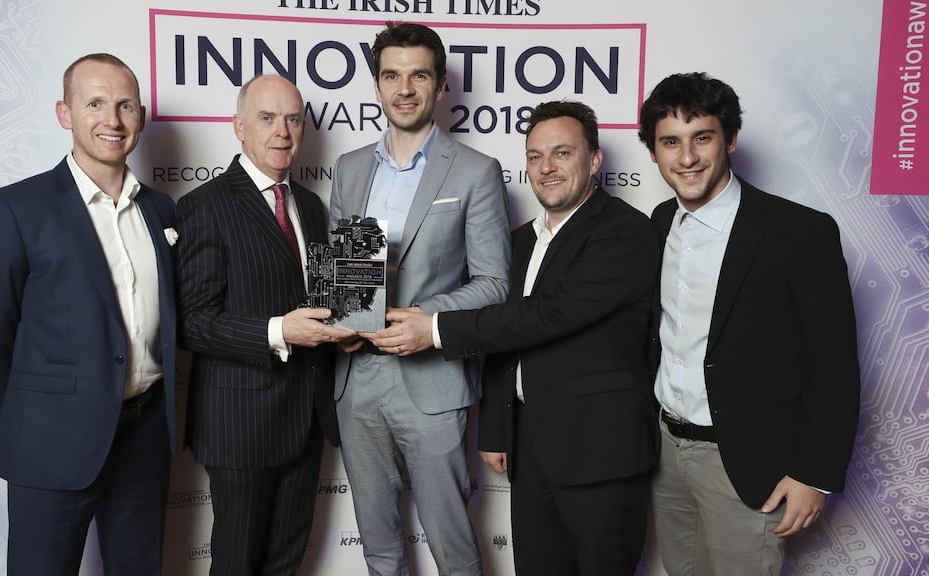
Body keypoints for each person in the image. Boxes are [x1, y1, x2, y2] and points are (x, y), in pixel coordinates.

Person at [367, 100, 660, 575]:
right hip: (531, 448)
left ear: (594, 161)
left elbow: (546, 316)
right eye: (535, 156)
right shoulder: (521, 240)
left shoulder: (626, 232)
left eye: (562, 153)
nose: (546, 168)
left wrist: (434, 328)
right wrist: (496, 429)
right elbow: (505, 338)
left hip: (601, 452)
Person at [0, 53, 177, 575]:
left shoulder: (160, 209)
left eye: (125, 105)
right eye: (94, 104)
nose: (112, 119)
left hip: (144, 438)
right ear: (64, 113)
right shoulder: (12, 208)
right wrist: (26, 420)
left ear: (141, 117)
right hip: (50, 445)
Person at [638, 72, 861, 576]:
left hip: (745, 461)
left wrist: (814, 474)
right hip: (666, 454)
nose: (687, 157)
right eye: (670, 142)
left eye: (702, 137)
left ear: (731, 139)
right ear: (653, 152)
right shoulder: (659, 222)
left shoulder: (799, 232)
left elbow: (835, 366)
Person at [328, 21, 511, 576]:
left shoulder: (476, 171)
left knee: (452, 547)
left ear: (440, 84)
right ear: (377, 85)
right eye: (391, 76)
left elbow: (495, 283)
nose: (404, 89)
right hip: (357, 380)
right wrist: (343, 317)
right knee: (379, 547)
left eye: (418, 76)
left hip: (433, 383)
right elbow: (344, 275)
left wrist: (427, 320)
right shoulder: (349, 168)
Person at [176, 74, 354, 576]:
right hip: (241, 424)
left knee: (285, 562)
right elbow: (192, 323)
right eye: (267, 118)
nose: (282, 131)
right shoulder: (204, 206)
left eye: (293, 119)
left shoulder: (312, 207)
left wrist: (348, 328)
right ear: (239, 126)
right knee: (237, 563)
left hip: (307, 417)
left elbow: (321, 303)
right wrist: (278, 331)